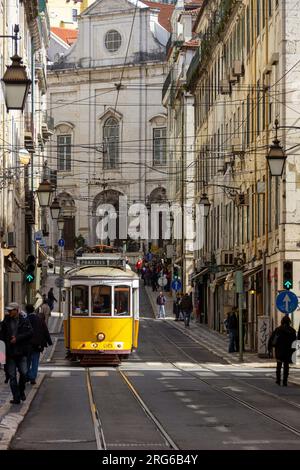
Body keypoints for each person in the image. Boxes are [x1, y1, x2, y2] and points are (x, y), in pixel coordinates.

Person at [0, 303, 32, 404]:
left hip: (21, 352)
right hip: (10, 354)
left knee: (24, 373)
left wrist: (17, 338)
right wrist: (2, 355)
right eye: (8, 310)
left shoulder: (24, 321)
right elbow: (1, 337)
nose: (9, 312)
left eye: (11, 310)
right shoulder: (5, 321)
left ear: (17, 310)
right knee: (12, 376)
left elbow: (30, 333)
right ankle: (16, 397)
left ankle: (21, 391)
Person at [26, 304, 52, 385]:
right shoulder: (40, 319)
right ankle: (32, 377)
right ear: (34, 310)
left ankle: (27, 375)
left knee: (27, 361)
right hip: (38, 344)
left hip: (28, 344)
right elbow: (45, 331)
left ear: (27, 311)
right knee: (35, 361)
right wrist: (49, 342)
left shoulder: (25, 319)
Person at [268, 315, 296, 386]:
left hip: (279, 351)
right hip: (288, 352)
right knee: (286, 366)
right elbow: (295, 343)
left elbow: (272, 339)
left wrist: (270, 348)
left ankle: (278, 380)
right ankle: (285, 381)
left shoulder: (278, 330)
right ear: (289, 322)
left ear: (282, 321)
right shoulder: (292, 331)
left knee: (279, 365)